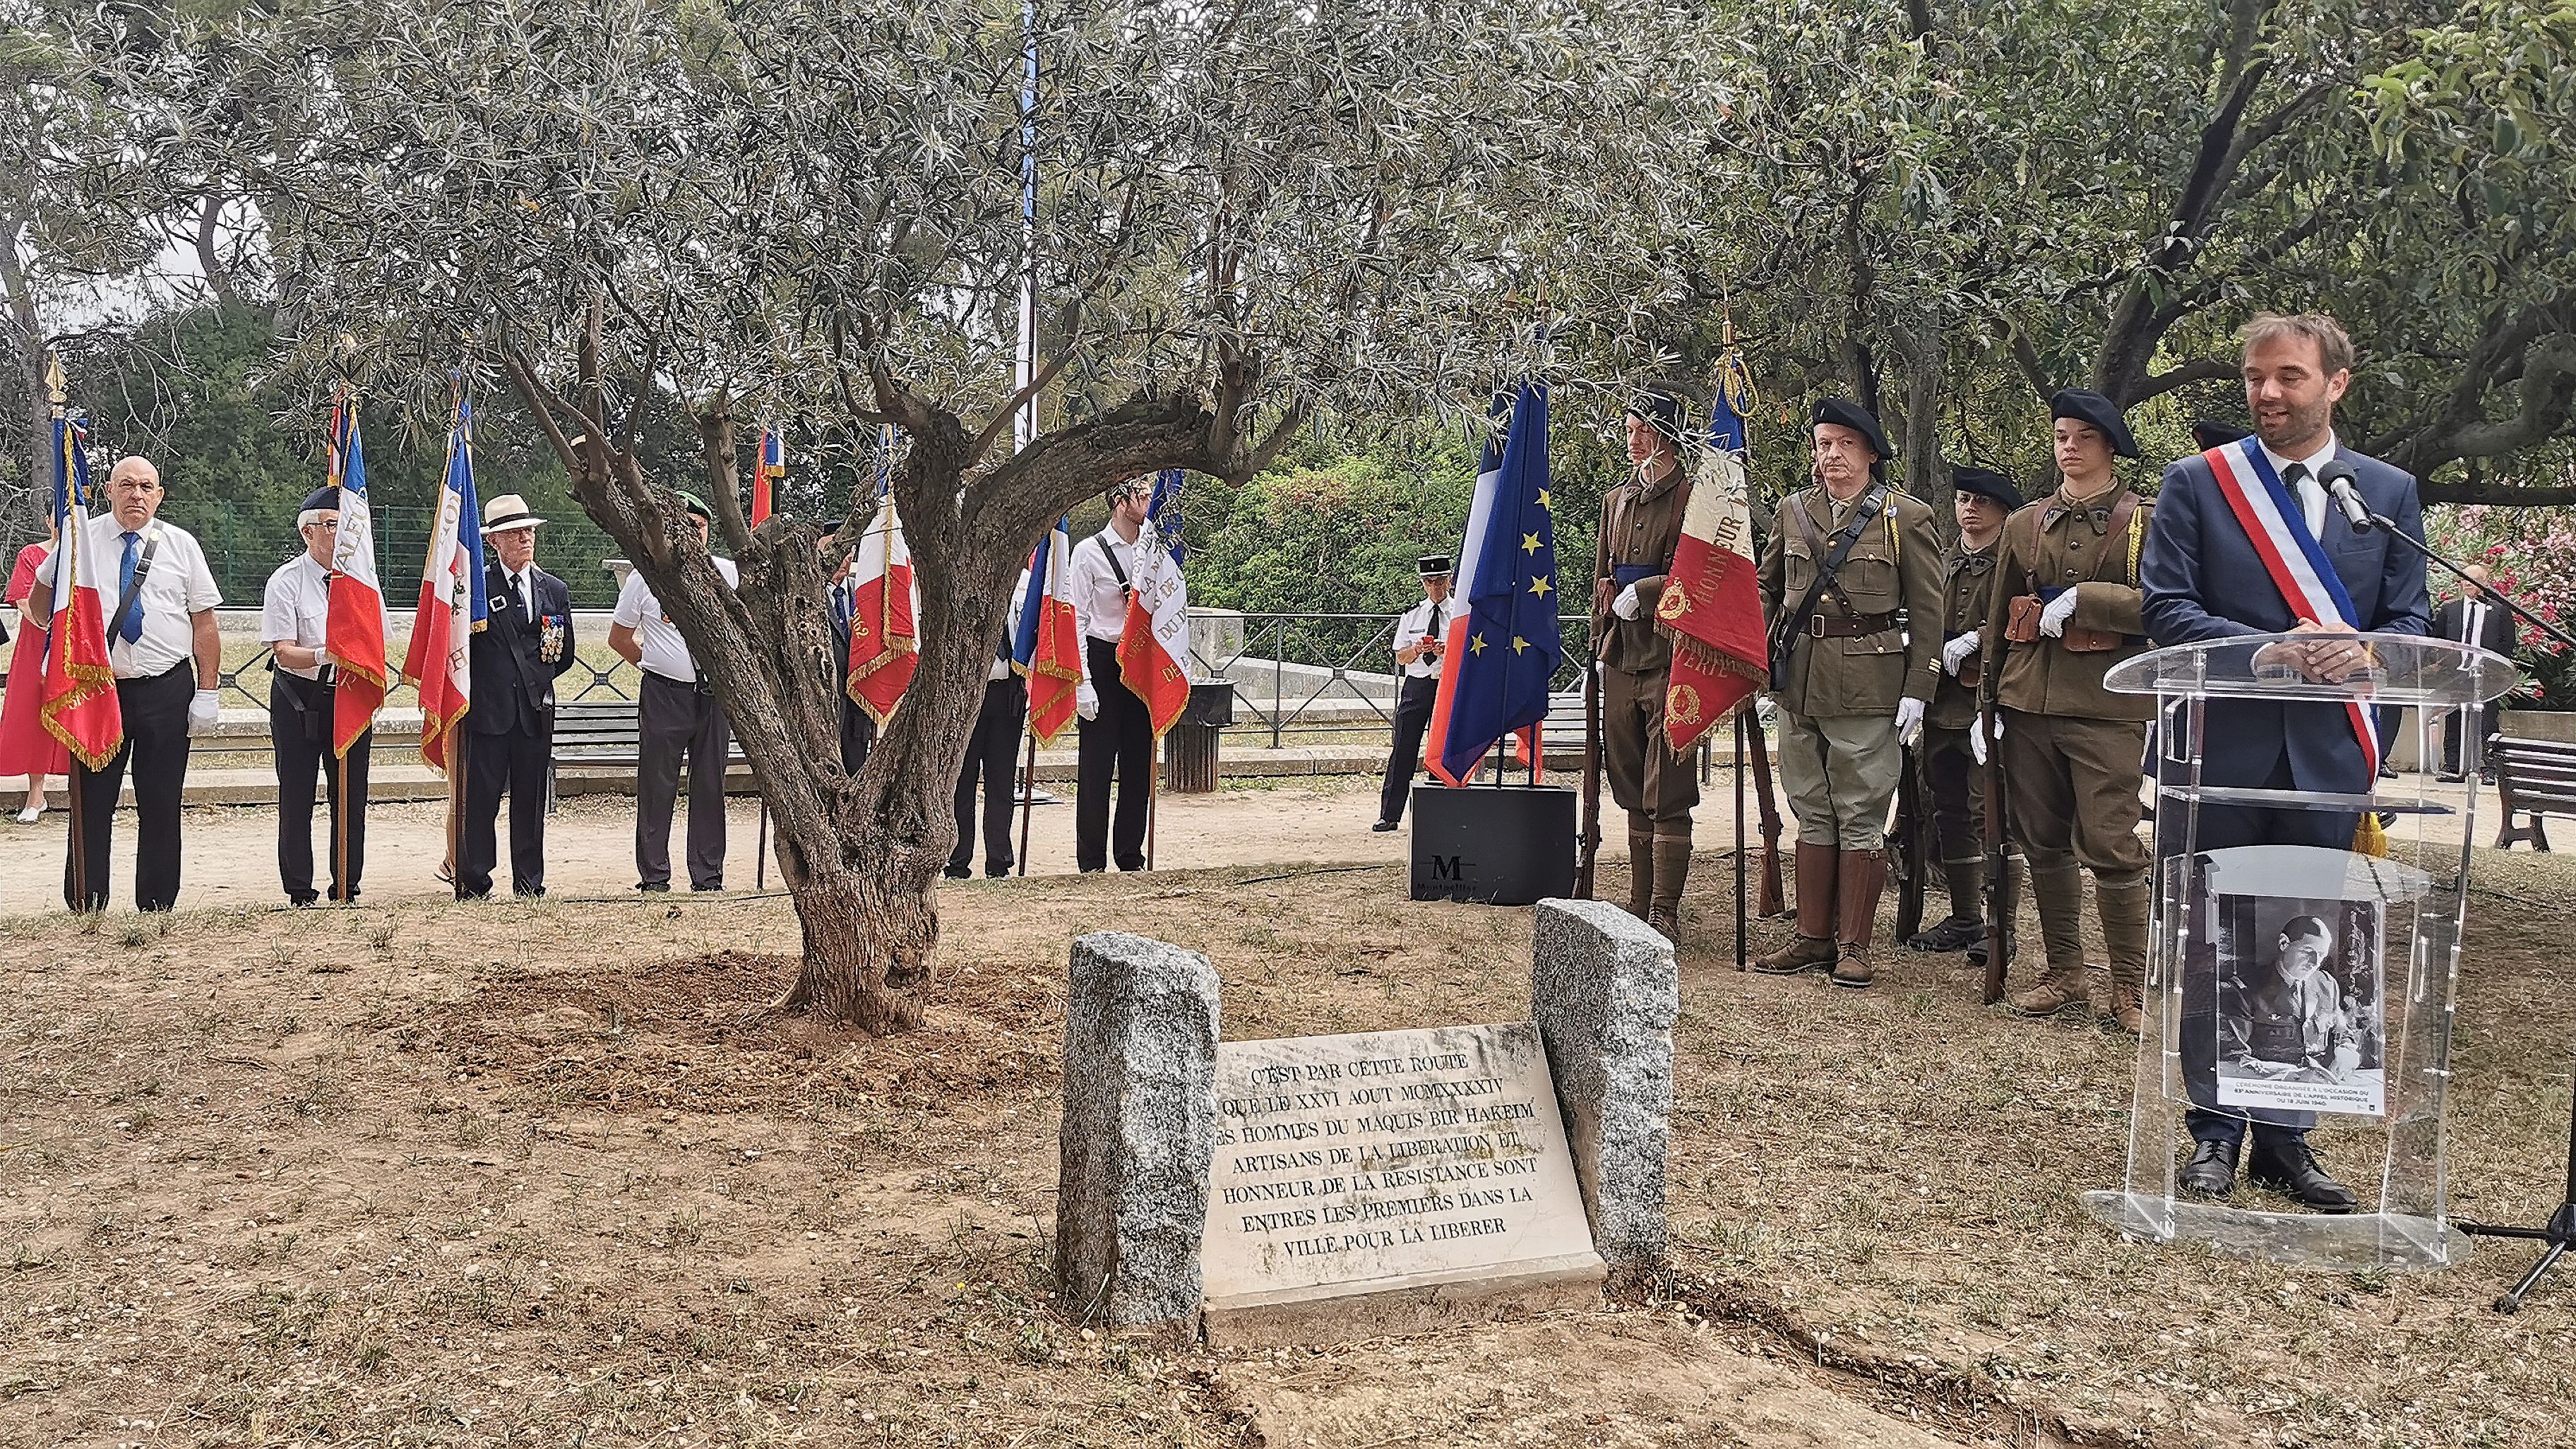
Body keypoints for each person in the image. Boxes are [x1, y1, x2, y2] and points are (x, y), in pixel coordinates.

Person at [2140, 311, 2430, 1212]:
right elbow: (2165, 609)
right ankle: (2216, 1132)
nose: (2267, 393)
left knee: (2314, 940)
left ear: (2335, 384)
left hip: (2326, 755)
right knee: (2215, 935)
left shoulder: (2384, 492)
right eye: (2256, 378)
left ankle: (2291, 1137)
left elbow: (2411, 623)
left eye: (2290, 378)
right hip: (2219, 746)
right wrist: (2271, 650)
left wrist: (2366, 651)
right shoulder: (2200, 482)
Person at [1981, 390, 2157, 1032]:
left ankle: (2130, 988)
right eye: (2061, 435)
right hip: (2028, 699)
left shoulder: (2146, 521)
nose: (2070, 447)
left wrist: (2088, 597)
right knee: (2042, 840)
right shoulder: (2025, 523)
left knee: (2110, 841)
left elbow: (2166, 607)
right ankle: (2065, 973)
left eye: (2084, 436)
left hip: (2108, 704)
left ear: (2110, 446)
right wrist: (1988, 706)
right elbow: (1998, 616)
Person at [1751, 400, 1943, 986]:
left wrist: (1920, 686)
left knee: (1860, 810)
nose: (1831, 455)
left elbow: (1930, 609)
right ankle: (1812, 936)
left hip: (1868, 683)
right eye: (1824, 443)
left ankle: (1854, 944)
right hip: (1798, 680)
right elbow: (1767, 587)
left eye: (1844, 445)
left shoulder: (1904, 516)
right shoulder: (1792, 511)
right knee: (1809, 804)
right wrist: (1752, 657)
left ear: (1870, 454)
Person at [27, 456, 222, 912]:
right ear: (109, 490)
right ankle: (86, 897)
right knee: (92, 800)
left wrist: (209, 692)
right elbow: (39, 609)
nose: (137, 494)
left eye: (147, 487)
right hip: (98, 691)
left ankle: (157, 901)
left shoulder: (181, 545)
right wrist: (44, 580)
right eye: (127, 485)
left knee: (161, 799)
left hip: (165, 687)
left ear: (160, 495)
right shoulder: (82, 541)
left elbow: (204, 622)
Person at [1590, 389, 1701, 938]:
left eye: (1645, 431)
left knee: (1670, 785)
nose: (1635, 441)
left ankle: (1665, 909)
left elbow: (1705, 576)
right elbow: (1602, 576)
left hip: (1672, 655)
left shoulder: (1692, 498)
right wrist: (1596, 643)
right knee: (1629, 777)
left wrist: (1653, 590)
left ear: (1668, 435)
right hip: (1621, 653)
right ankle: (1638, 903)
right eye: (1630, 430)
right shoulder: (1615, 500)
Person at [1907, 465, 2022, 958]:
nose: (1969, 509)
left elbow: (2024, 626)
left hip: (1989, 703)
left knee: (1991, 816)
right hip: (1941, 705)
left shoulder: (2015, 563)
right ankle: (1966, 918)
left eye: (1981, 501)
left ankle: (2003, 928)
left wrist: (1980, 640)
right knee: (1949, 812)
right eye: (1963, 500)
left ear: (2002, 510)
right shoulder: (1943, 561)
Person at [261, 485, 392, 905]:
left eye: (346, 526)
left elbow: (382, 641)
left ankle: (347, 885)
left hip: (349, 696)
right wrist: (326, 653)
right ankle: (300, 888)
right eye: (332, 526)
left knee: (351, 794)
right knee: (297, 794)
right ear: (308, 533)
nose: (340, 535)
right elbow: (282, 650)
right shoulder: (286, 581)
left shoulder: (363, 581)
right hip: (301, 697)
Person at [610, 491, 737, 893]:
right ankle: (654, 875)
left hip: (715, 695)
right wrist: (655, 664)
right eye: (683, 524)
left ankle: (708, 874)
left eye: (699, 525)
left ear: (708, 529)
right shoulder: (644, 578)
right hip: (666, 693)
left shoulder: (727, 574)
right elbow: (620, 637)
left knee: (711, 782)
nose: (692, 531)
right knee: (656, 783)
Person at [460, 493, 576, 899]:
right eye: (514, 533)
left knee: (530, 803)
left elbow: (564, 653)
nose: (525, 538)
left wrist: (536, 680)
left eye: (528, 531)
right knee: (482, 802)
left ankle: (529, 880)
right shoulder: (476, 588)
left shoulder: (554, 589)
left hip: (534, 712)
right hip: (489, 711)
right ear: (494, 541)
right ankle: (474, 880)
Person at [1068, 478, 1156, 873]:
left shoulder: (1154, 552)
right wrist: (1083, 682)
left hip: (1140, 660)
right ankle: (1091, 860)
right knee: (1097, 764)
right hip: (1103, 660)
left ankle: (1129, 855)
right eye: (1142, 495)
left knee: (1138, 763)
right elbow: (1078, 619)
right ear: (1121, 503)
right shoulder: (1088, 553)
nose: (1149, 502)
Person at [950, 566, 1032, 878]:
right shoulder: (964, 577)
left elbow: (1032, 632)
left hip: (1007, 692)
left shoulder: (1026, 583)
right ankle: (957, 859)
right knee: (962, 780)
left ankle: (999, 860)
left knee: (1002, 781)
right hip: (967, 693)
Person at [2219, 916, 2361, 1088]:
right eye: (2308, 952)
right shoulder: (2244, 990)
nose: (2315, 963)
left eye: (2321, 955)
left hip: (2318, 1092)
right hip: (2265, 1094)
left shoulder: (2326, 984)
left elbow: (2342, 1029)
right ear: (2284, 944)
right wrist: (2292, 1077)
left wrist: (2346, 1050)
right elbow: (2231, 1060)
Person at [1373, 554, 1452, 833]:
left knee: (1442, 748)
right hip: (1417, 684)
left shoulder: (1460, 615)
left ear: (1449, 581)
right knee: (1404, 747)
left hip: (1447, 685)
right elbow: (1401, 657)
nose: (1435, 588)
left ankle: (1437, 811)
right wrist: (1418, 649)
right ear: (1423, 584)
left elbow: (1471, 652)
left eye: (1440, 582)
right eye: (1430, 582)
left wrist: (1446, 650)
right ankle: (1390, 814)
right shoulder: (1411, 615)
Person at [1, 518, 69, 821]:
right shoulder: (31, 555)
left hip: (74, 645)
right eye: (59, 516)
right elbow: (22, 598)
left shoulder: (88, 555)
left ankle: (83, 794)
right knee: (34, 716)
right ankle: (36, 794)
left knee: (75, 712)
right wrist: (48, 623)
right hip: (37, 644)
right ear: (48, 521)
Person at [2433, 564, 2515, 781]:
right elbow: (2438, 640)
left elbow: (2507, 643)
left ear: (2484, 582)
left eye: (2473, 580)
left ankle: (2488, 770)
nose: (2467, 584)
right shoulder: (2449, 609)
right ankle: (2453, 767)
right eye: (2464, 580)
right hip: (2457, 674)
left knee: (2488, 723)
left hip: (2486, 675)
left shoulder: (2499, 611)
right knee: (2454, 721)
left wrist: (2495, 670)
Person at [821, 526, 878, 773]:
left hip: (857, 705)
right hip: (823, 705)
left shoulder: (862, 594)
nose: (842, 559)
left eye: (846, 551)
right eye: (831, 550)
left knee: (855, 772)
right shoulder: (808, 595)